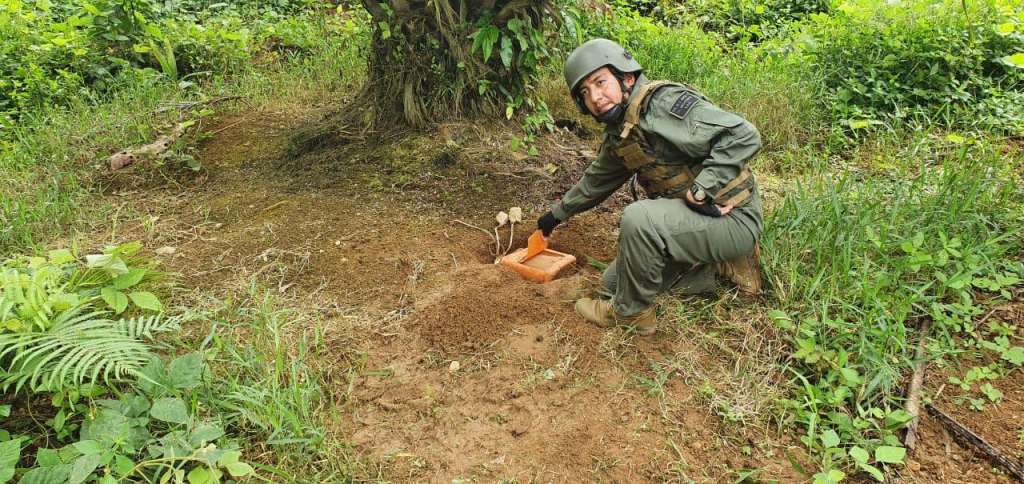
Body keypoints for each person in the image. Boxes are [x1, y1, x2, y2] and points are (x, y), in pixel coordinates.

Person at [537, 38, 764, 336]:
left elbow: (743, 135)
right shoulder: (623, 132)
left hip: (733, 219)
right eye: (585, 92)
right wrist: (555, 215)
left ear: (626, 77)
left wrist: (702, 190)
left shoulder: (663, 105)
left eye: (600, 82)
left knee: (639, 218)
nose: (595, 96)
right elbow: (595, 182)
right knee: (612, 283)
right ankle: (709, 270)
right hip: (696, 220)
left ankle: (631, 315)